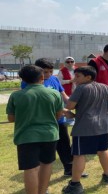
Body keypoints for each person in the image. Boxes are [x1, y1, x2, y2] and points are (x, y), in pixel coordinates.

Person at [62, 66, 108, 194]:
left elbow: (69, 106)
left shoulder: (81, 88)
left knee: (78, 155)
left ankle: (75, 185)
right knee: (103, 150)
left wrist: (69, 111)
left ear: (88, 77)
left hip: (84, 128)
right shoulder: (104, 86)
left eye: (78, 76)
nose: (75, 79)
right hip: (103, 126)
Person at [20, 58, 84, 178]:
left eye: (50, 71)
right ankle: (40, 179)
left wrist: (72, 105)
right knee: (43, 152)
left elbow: (63, 94)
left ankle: (69, 169)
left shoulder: (54, 79)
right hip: (42, 122)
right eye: (45, 72)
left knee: (64, 145)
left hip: (59, 120)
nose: (48, 74)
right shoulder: (28, 82)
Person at [7, 65, 65, 194]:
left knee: (30, 168)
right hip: (49, 134)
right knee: (46, 164)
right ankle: (43, 191)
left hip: (26, 136)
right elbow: (58, 115)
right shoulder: (54, 93)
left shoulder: (16, 95)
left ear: (23, 79)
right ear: (41, 77)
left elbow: (11, 118)